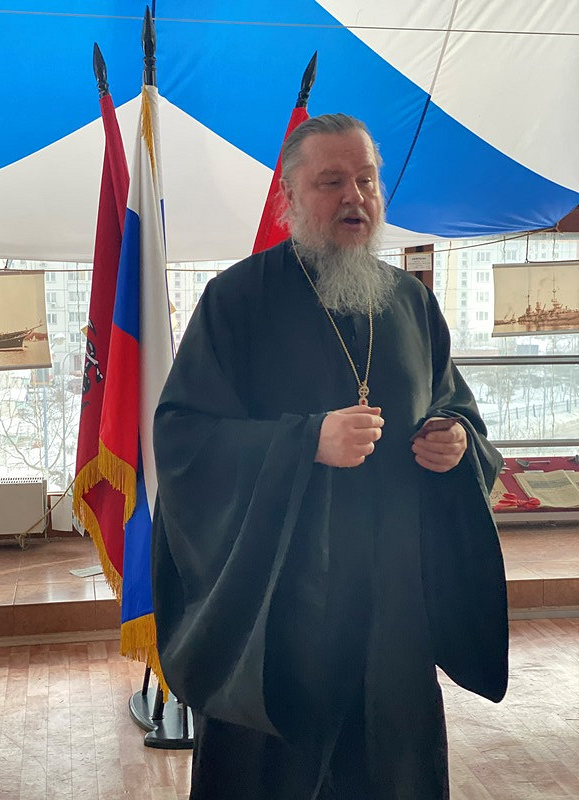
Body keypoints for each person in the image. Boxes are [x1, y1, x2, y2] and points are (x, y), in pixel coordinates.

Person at [151, 113, 508, 799]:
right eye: (332, 182)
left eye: (367, 180)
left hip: (392, 610)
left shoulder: (410, 301)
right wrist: (305, 441)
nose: (355, 197)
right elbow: (183, 439)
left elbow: (456, 407)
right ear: (288, 198)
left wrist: (456, 441)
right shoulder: (237, 300)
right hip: (276, 614)